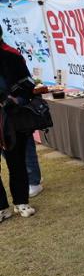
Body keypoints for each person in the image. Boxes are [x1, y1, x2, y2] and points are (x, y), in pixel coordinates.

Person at [0, 28, 36, 223]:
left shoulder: (11, 55)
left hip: (11, 118)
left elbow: (28, 84)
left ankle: (21, 202)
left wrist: (16, 99)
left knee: (16, 162)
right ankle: (1, 207)